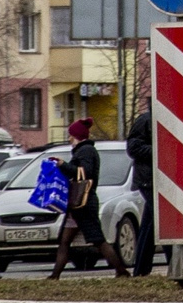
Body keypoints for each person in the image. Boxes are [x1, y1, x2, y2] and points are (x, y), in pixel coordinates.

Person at [46, 118, 132, 280]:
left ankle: (122, 271)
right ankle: (54, 275)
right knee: (65, 241)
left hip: (84, 203)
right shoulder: (83, 150)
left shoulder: (86, 151)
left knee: (98, 240)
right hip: (77, 205)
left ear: (77, 136)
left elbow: (84, 172)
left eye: (71, 135)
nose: (69, 138)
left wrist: (63, 165)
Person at [124, 110, 157, 274]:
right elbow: (132, 148)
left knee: (150, 226)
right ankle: (174, 263)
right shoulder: (146, 120)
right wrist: (158, 150)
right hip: (148, 179)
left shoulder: (164, 119)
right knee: (160, 222)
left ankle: (141, 270)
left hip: (156, 179)